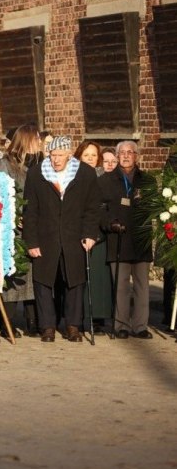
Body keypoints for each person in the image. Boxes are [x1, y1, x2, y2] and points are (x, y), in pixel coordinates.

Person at [23, 136, 101, 343]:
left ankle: (73, 325)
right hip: (45, 236)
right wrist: (31, 241)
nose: (56, 160)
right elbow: (30, 210)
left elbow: (92, 208)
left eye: (60, 155)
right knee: (43, 282)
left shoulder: (85, 173)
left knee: (75, 282)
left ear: (69, 154)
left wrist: (90, 234)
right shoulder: (36, 173)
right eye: (52, 155)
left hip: (74, 236)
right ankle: (47, 326)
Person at [99, 141, 154, 339]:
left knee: (141, 286)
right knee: (121, 285)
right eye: (122, 152)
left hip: (140, 239)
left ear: (136, 156)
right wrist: (110, 223)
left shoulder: (147, 180)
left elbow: (153, 207)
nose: (126, 155)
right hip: (118, 238)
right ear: (117, 155)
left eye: (130, 152)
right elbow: (99, 209)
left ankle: (140, 325)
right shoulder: (105, 180)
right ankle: (121, 325)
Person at [0, 124, 42, 337]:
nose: (40, 143)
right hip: (14, 230)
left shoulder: (41, 164)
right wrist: (15, 216)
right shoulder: (6, 164)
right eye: (37, 139)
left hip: (37, 227)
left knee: (34, 275)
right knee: (14, 275)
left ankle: (34, 320)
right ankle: (7, 321)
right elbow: (0, 195)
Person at [74, 140, 111, 333]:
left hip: (98, 232)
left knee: (97, 278)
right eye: (86, 155)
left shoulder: (103, 177)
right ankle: (79, 316)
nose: (89, 158)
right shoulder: (73, 175)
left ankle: (97, 317)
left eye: (93, 155)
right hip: (76, 230)